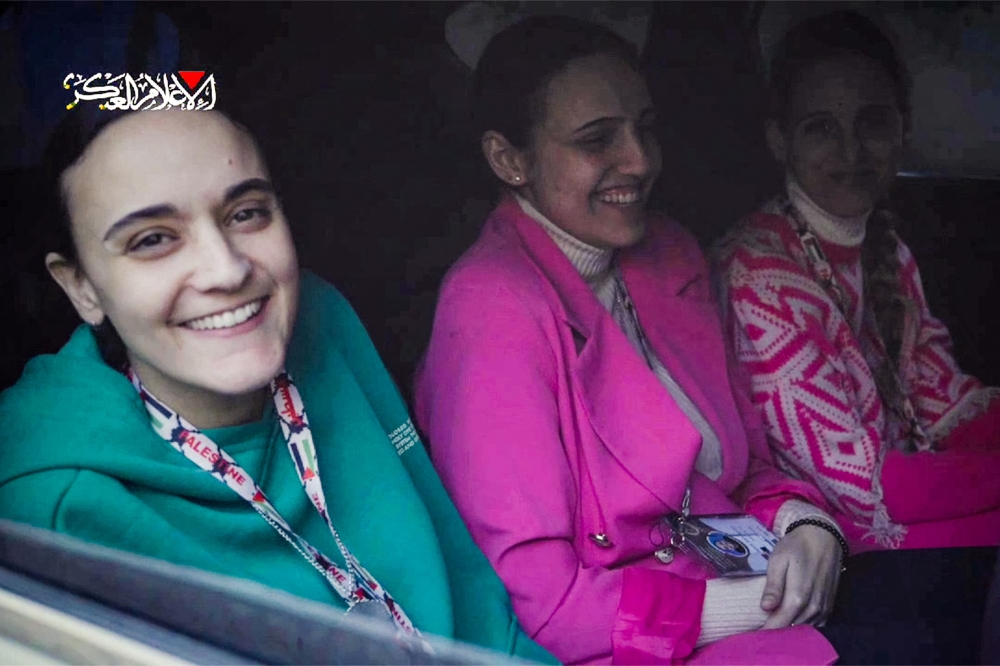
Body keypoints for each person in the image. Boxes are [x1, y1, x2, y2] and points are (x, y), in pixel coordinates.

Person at [0, 106, 554, 662]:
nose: (227, 271)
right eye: (152, 240)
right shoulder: (53, 506)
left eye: (245, 213)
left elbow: (478, 612)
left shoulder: (319, 319)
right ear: (81, 288)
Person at [415, 15, 845, 664]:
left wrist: (805, 525)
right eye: (598, 140)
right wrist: (752, 605)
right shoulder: (488, 310)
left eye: (645, 128)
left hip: (750, 594)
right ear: (508, 159)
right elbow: (545, 606)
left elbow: (743, 464)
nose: (641, 161)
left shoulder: (669, 250)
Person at [714, 10, 1000, 553]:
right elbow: (857, 484)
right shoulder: (759, 274)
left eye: (872, 122)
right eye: (821, 128)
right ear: (779, 140)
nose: (851, 152)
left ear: (903, 126)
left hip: (908, 496)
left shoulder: (885, 245)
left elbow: (940, 400)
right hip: (823, 540)